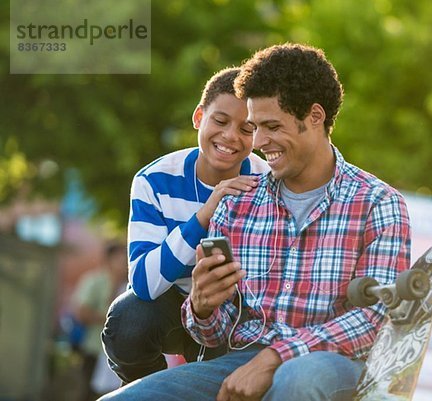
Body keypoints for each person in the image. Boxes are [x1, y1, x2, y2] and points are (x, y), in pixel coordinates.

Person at [100, 43, 411, 401]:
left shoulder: (379, 203)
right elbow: (217, 335)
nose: (258, 142)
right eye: (257, 127)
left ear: (314, 116)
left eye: (270, 126)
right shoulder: (238, 203)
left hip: (332, 362)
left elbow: (374, 318)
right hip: (241, 361)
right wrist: (202, 307)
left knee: (299, 378)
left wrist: (277, 356)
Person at [101, 67, 270, 384]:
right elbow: (144, 284)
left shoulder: (267, 182)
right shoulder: (153, 180)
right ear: (198, 118)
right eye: (220, 121)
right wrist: (203, 215)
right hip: (172, 306)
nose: (231, 136)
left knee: (221, 380)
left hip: (235, 312)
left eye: (246, 128)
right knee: (128, 319)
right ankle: (147, 389)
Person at [71, 242, 128, 401]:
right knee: (87, 392)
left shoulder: (131, 284)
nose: (124, 262)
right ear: (109, 259)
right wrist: (113, 320)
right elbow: (82, 312)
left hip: (120, 352)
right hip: (94, 348)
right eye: (120, 258)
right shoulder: (94, 280)